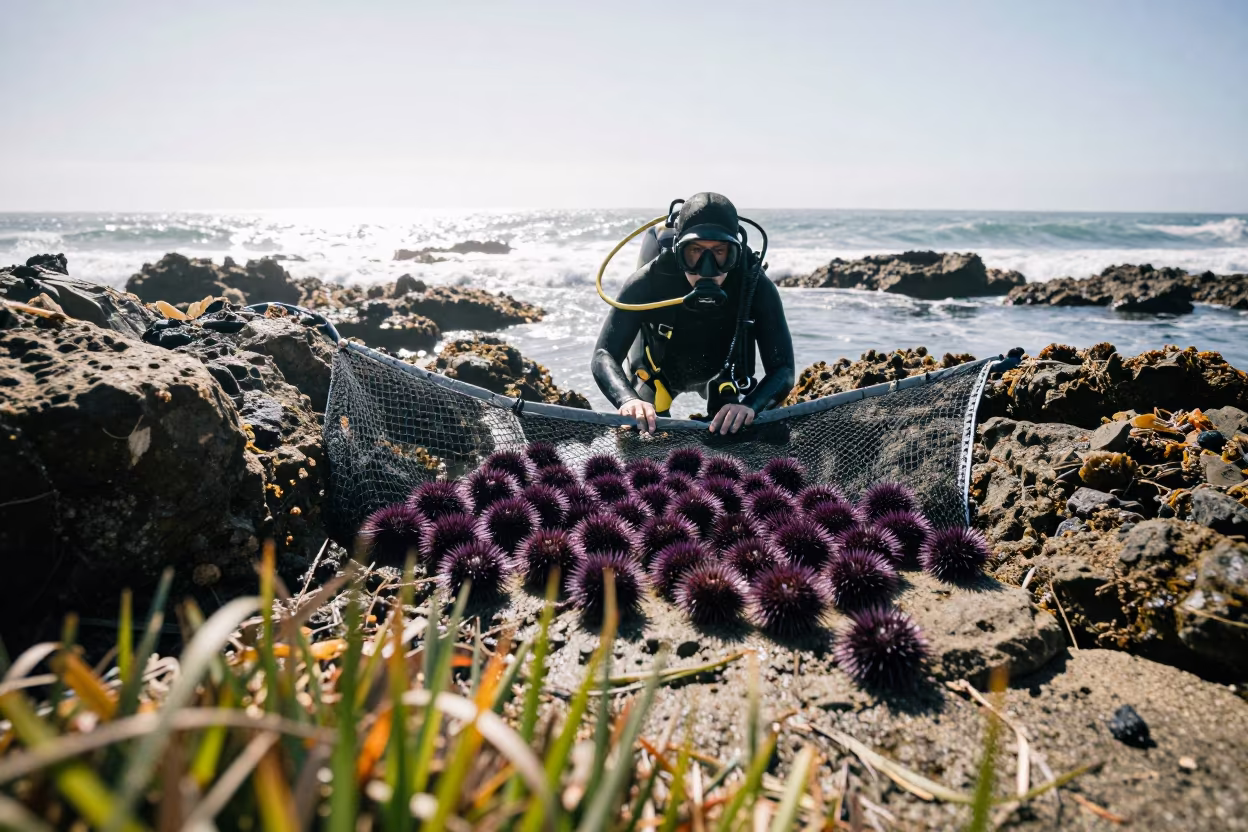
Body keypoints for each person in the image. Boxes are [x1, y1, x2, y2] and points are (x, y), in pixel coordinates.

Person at [590, 192, 795, 435]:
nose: (707, 269)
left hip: (722, 376)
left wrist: (751, 406)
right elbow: (604, 355)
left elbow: (783, 369)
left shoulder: (753, 284)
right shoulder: (649, 280)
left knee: (735, 434)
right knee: (639, 434)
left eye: (720, 252)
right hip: (657, 376)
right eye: (695, 251)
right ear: (679, 251)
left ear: (735, 253)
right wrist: (628, 400)